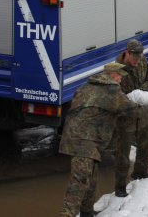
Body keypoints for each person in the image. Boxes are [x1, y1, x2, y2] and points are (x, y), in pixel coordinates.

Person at [59, 63, 139, 217]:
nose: (121, 79)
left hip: (74, 136)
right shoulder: (112, 91)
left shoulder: (85, 87)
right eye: (120, 76)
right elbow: (130, 110)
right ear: (113, 75)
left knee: (91, 176)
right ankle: (66, 214)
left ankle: (87, 212)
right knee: (80, 179)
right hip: (86, 139)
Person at [112, 39, 148, 197]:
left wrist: (142, 91)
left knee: (146, 142)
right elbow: (111, 94)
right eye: (134, 58)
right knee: (123, 151)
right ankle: (120, 186)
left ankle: (140, 172)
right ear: (127, 53)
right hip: (125, 115)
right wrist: (128, 98)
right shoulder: (116, 69)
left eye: (139, 57)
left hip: (143, 111)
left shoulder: (143, 62)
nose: (137, 61)